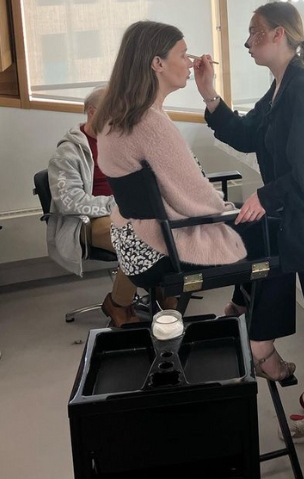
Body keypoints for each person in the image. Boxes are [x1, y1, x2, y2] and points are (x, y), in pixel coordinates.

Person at [194, 1, 304, 479]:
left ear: (280, 35)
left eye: (254, 33)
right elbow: (249, 134)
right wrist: (210, 96)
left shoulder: (303, 89)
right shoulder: (282, 87)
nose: (247, 42)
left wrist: (268, 196)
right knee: (277, 283)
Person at [93, 20, 291, 380]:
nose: (191, 61)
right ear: (157, 64)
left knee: (253, 224)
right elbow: (197, 198)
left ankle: (236, 308)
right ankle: (263, 348)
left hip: (131, 243)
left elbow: (180, 189)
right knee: (281, 234)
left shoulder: (115, 114)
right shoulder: (151, 124)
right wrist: (232, 210)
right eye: (183, 55)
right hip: (159, 248)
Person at [47, 87, 140, 327]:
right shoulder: (67, 153)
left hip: (130, 212)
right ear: (92, 112)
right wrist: (114, 204)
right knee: (135, 238)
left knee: (167, 231)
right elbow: (69, 201)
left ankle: (167, 303)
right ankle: (119, 305)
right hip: (88, 220)